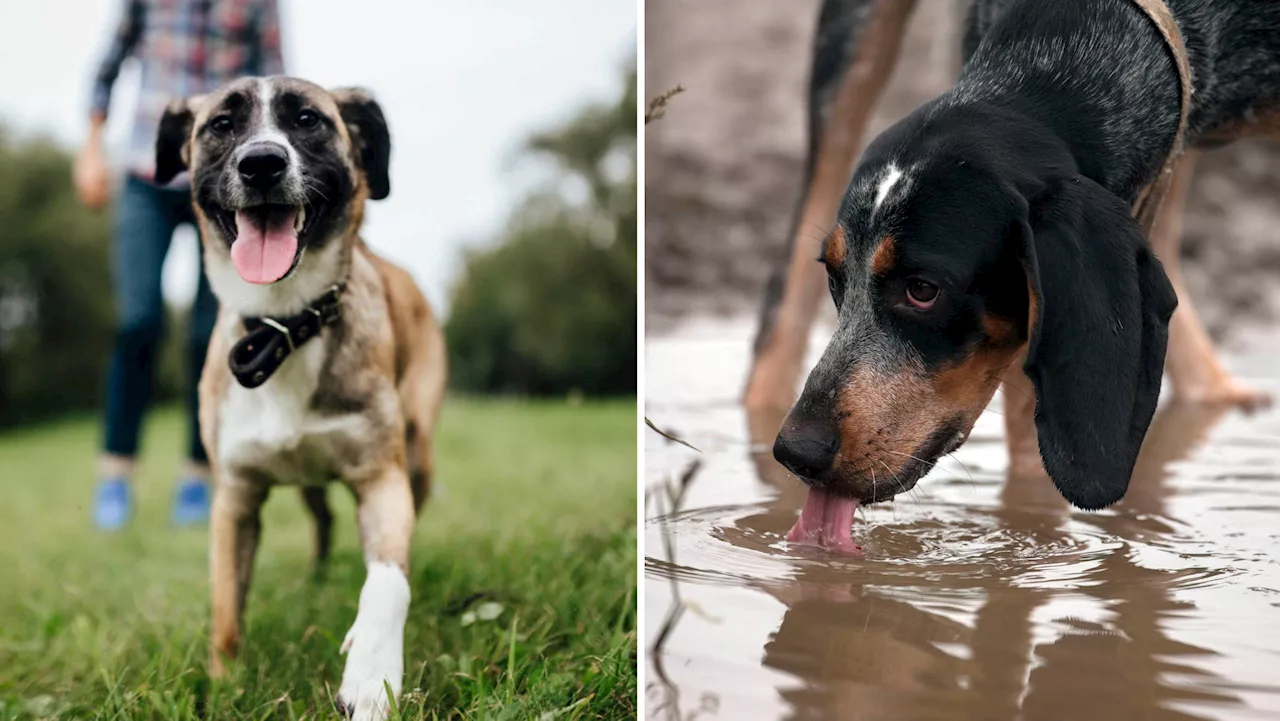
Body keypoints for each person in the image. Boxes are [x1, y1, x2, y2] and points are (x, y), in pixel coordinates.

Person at [74, 0, 284, 530]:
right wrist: (92, 147)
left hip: (223, 176)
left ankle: (196, 475)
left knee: (207, 334)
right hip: (147, 172)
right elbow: (109, 64)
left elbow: (276, 79)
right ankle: (115, 476)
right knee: (137, 321)